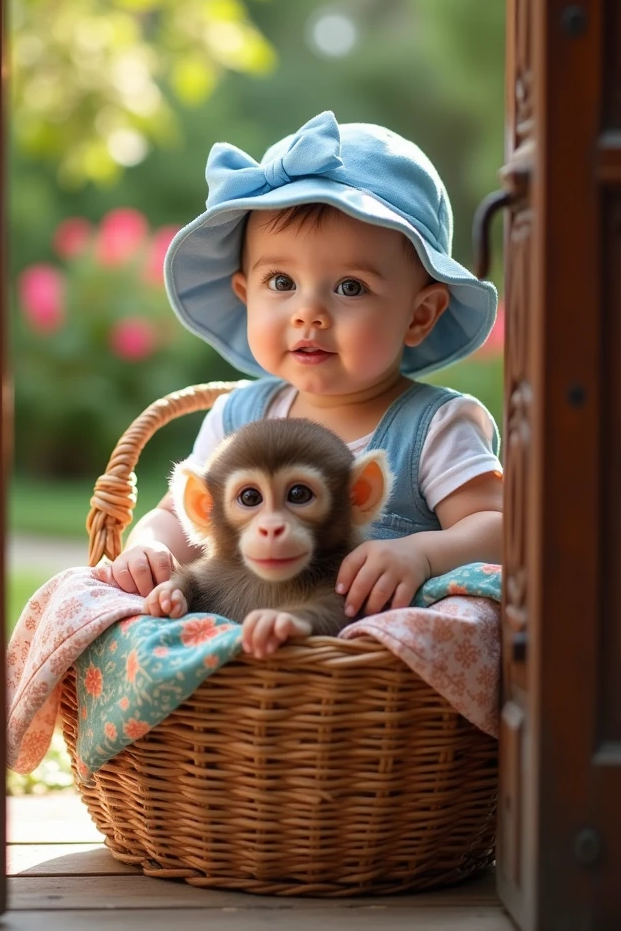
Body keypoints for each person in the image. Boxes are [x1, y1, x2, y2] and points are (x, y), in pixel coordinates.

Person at [96, 111, 503, 646]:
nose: (308, 312)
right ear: (246, 295)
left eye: (351, 288)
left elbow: (499, 533)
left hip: (375, 681)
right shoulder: (239, 417)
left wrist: (422, 553)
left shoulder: (434, 427)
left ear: (420, 314)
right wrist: (151, 546)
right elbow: (183, 515)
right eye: (282, 281)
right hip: (243, 682)